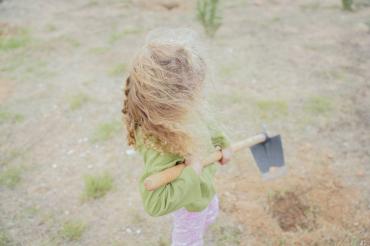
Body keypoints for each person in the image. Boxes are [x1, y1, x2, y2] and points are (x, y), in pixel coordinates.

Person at [122, 28, 232, 246]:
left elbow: (206, 122)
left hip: (204, 187)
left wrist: (222, 142)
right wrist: (192, 173)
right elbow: (154, 204)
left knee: (210, 213)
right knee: (190, 239)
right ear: (172, 101)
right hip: (189, 204)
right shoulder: (157, 143)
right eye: (194, 93)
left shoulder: (188, 108)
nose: (198, 97)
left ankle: (206, 213)